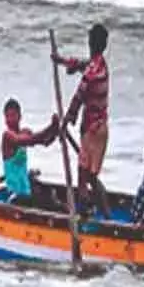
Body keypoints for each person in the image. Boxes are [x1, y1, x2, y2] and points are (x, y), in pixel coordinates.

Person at [53, 23, 113, 219]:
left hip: (91, 131)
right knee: (91, 176)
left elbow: (78, 97)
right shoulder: (100, 65)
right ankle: (104, 214)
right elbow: (83, 64)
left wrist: (66, 120)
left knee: (84, 176)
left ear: (91, 42)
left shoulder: (91, 73)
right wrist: (63, 61)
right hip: (101, 127)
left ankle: (87, 213)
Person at [0, 98, 61, 206]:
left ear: (20, 116)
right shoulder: (7, 136)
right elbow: (25, 140)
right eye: (7, 116)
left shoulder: (25, 132)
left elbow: (45, 141)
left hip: (26, 191)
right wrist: (51, 127)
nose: (9, 120)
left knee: (51, 194)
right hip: (14, 195)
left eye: (13, 116)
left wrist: (55, 130)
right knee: (44, 203)